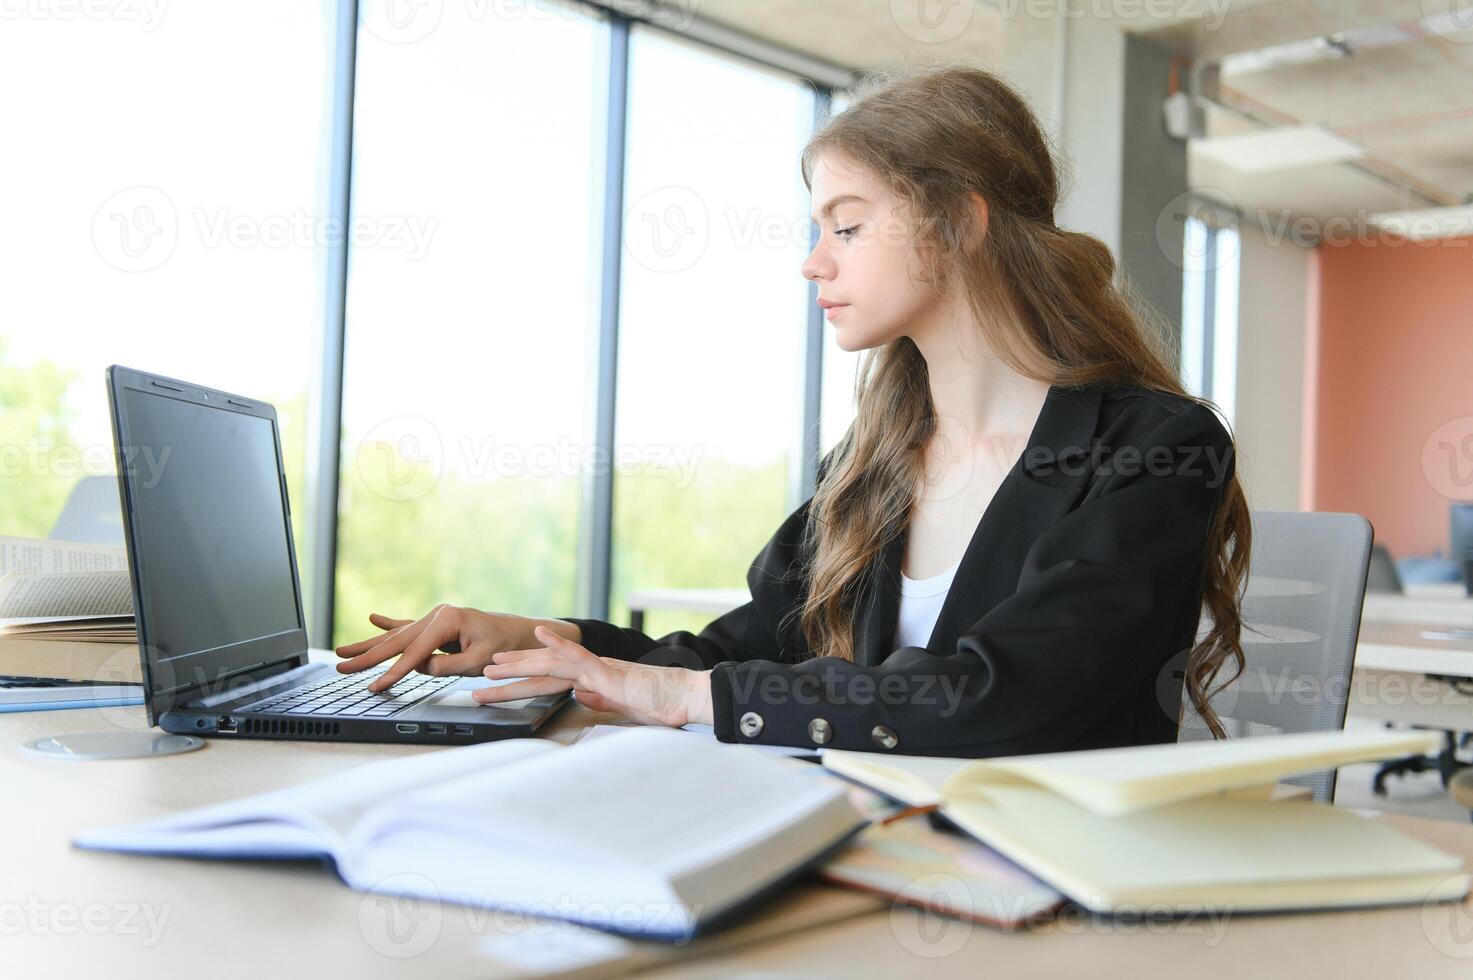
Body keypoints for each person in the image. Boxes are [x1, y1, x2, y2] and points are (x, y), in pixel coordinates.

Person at [335, 65, 1250, 758]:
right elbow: (744, 648)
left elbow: (1001, 696)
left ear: (962, 224)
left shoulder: (1156, 449)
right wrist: (548, 642)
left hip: (1041, 887)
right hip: (864, 843)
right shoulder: (877, 458)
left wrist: (686, 701)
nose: (816, 262)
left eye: (845, 226)